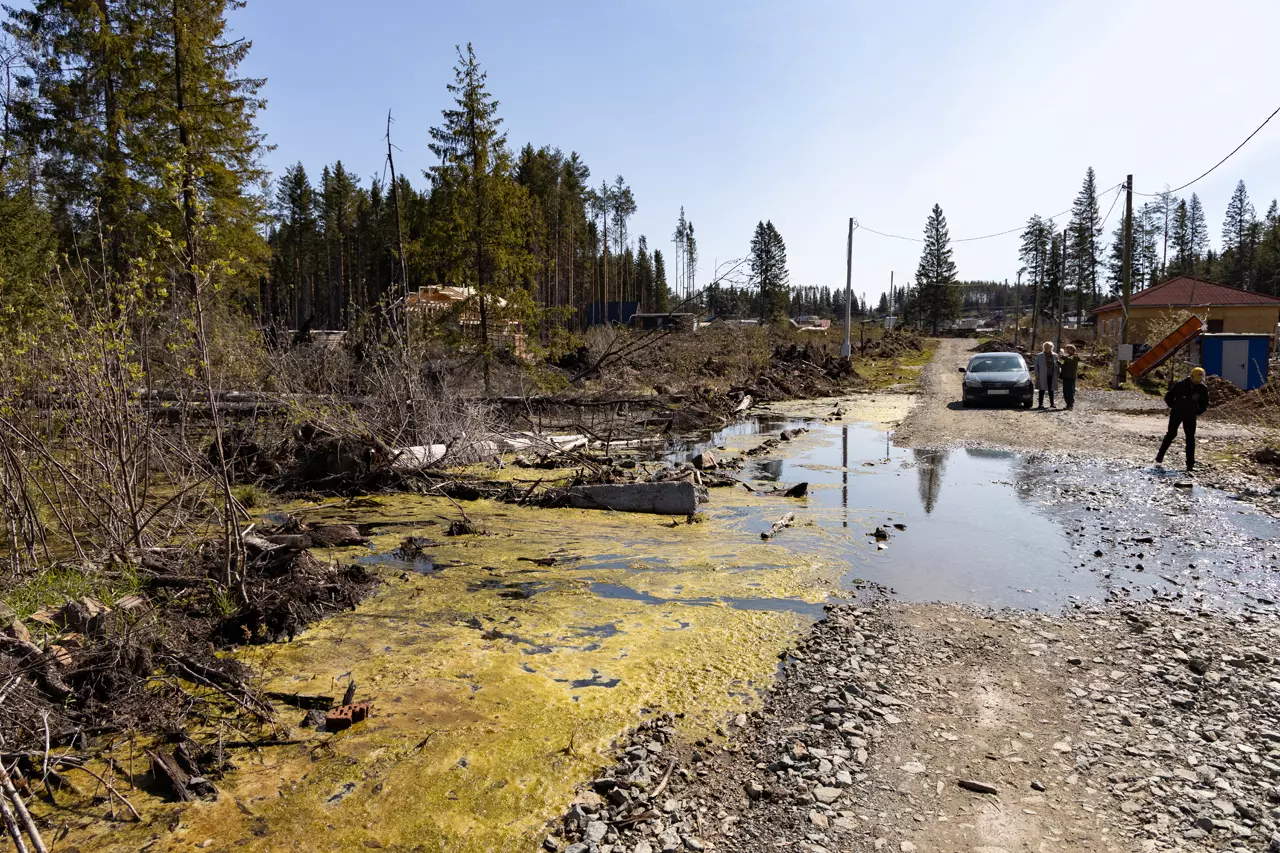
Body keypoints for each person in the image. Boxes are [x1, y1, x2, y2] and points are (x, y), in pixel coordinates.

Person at [1156, 366, 1210, 471]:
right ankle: (1160, 455)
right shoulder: (1180, 385)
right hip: (1177, 413)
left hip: (1190, 416)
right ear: (1191, 376)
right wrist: (1174, 406)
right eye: (1196, 380)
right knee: (1171, 434)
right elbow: (1168, 396)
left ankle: (1190, 465)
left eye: (1200, 380)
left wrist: (1197, 411)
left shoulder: (1202, 388)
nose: (1197, 382)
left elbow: (1204, 404)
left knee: (1190, 439)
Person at [1033, 341, 1059, 409]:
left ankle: (1052, 403)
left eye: (1049, 347)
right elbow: (1036, 365)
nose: (1047, 348)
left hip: (1052, 375)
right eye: (1045, 347)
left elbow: (1058, 366)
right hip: (1042, 375)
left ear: (1051, 347)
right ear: (1044, 347)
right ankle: (1040, 404)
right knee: (1042, 389)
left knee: (1051, 390)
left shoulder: (1055, 355)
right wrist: (1037, 374)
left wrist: (1058, 374)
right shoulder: (1040, 355)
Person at [1059, 345, 1080, 410]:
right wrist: (1058, 363)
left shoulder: (1075, 357)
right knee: (1065, 391)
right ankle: (1068, 404)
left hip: (1071, 377)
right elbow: (1065, 366)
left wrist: (1062, 356)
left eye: (1068, 349)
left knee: (1070, 391)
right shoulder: (1068, 357)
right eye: (1066, 349)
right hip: (1066, 376)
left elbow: (1069, 360)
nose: (1067, 351)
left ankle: (1071, 404)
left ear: (1073, 350)